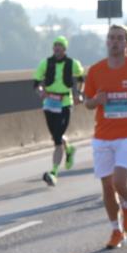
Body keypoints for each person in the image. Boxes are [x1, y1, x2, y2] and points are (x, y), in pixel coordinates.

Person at [83, 24, 127, 249]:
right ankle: (116, 230)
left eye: (120, 38)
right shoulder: (95, 71)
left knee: (119, 181)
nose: (115, 42)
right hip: (102, 136)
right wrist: (97, 101)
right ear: (107, 42)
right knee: (107, 187)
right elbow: (87, 102)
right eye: (112, 38)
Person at [32, 36, 85, 186]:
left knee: (57, 139)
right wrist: (40, 91)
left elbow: (81, 79)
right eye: (55, 45)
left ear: (65, 49)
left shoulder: (73, 63)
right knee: (56, 135)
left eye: (60, 46)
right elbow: (36, 83)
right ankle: (69, 149)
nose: (57, 48)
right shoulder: (45, 63)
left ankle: (53, 172)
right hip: (49, 103)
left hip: (65, 103)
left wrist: (79, 93)